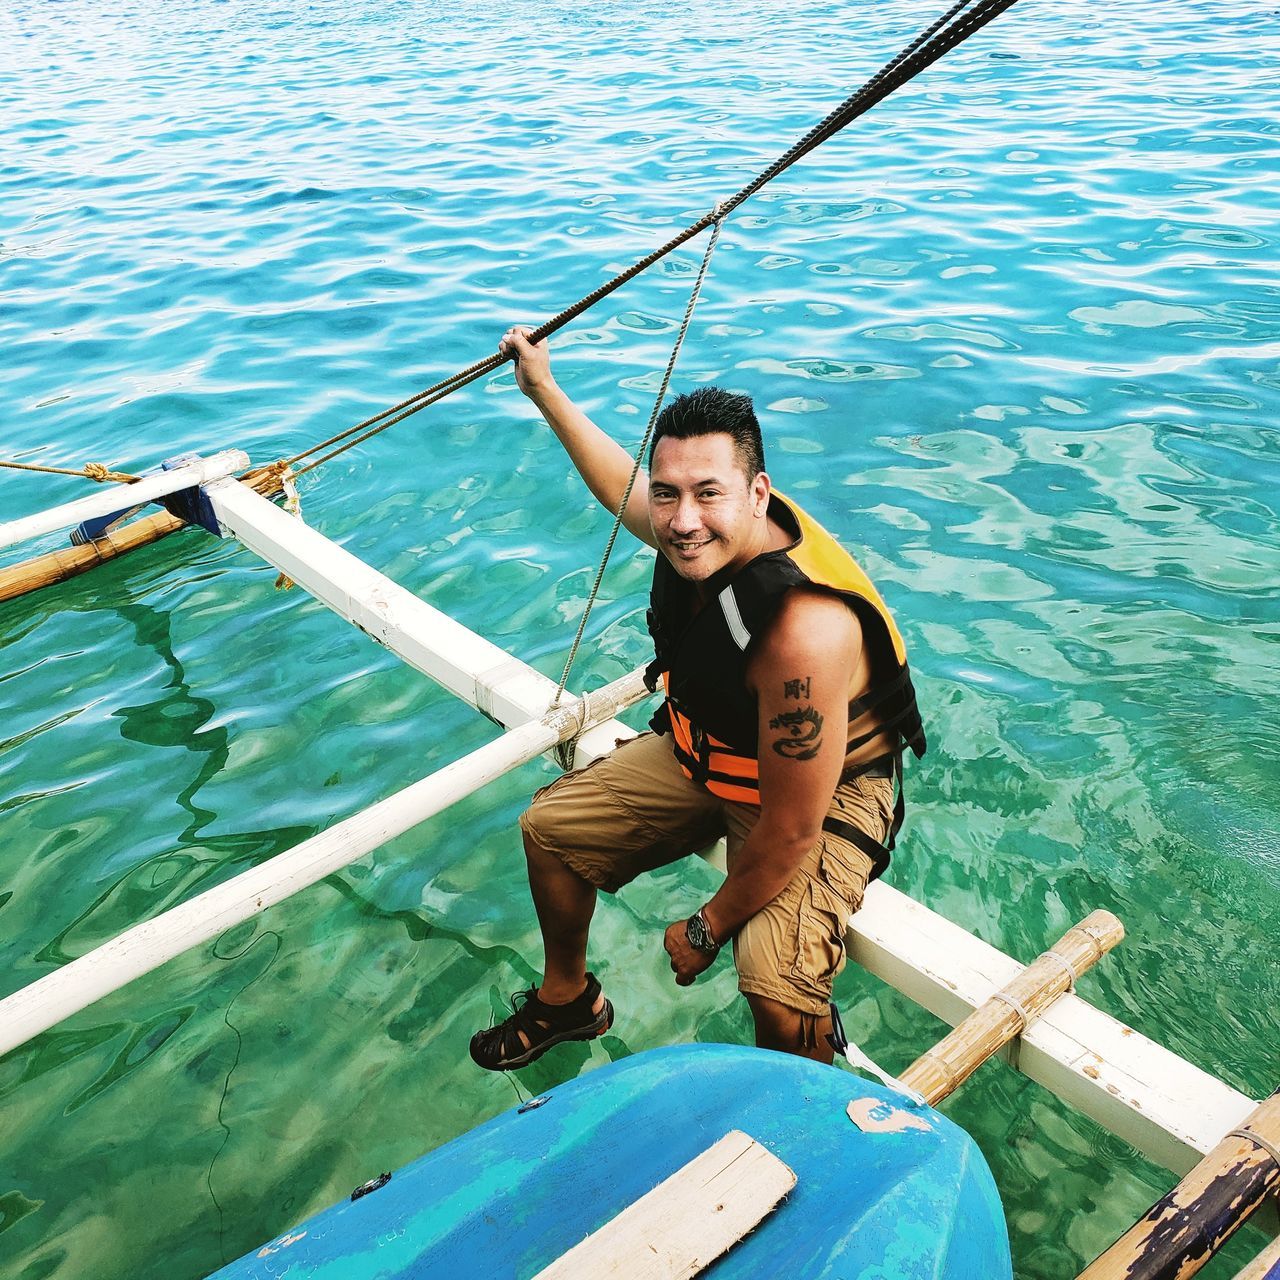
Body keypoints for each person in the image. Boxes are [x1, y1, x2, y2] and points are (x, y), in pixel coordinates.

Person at [469, 327, 926, 1070]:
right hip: (711, 752)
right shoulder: (695, 530)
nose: (681, 521)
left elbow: (789, 830)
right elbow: (620, 485)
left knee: (777, 987)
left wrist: (707, 927)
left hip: (820, 791)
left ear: (757, 494)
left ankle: (807, 1115)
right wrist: (545, 390)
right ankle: (567, 1001)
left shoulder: (802, 633)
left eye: (708, 493)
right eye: (668, 494)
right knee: (549, 831)